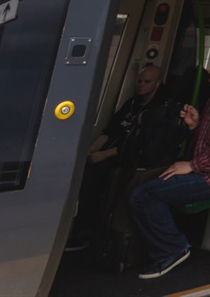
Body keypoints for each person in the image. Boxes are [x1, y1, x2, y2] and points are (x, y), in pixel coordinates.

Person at [128, 48, 210, 280]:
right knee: (141, 185)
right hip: (203, 169)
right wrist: (194, 125)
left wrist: (191, 165)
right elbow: (208, 140)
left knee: (144, 196)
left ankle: (173, 248)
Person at [66, 64, 181, 252]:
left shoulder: (161, 110)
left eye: (147, 81)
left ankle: (86, 232)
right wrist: (92, 149)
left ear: (158, 83)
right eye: (140, 81)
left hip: (130, 158)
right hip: (108, 151)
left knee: (94, 179)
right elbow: (110, 130)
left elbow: (141, 145)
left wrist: (102, 155)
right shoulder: (133, 103)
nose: (141, 85)